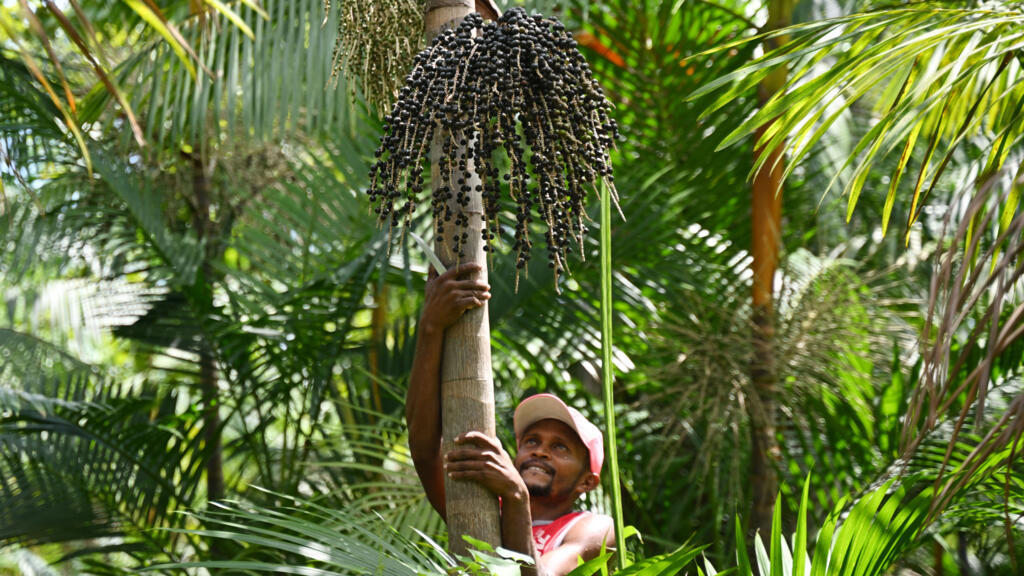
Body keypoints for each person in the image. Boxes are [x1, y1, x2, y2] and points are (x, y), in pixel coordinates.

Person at [406, 263, 615, 576]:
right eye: (532, 441)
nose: (540, 451)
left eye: (560, 448)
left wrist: (516, 496)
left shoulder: (592, 528)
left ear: (587, 481)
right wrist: (430, 327)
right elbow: (425, 452)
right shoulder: (483, 507)